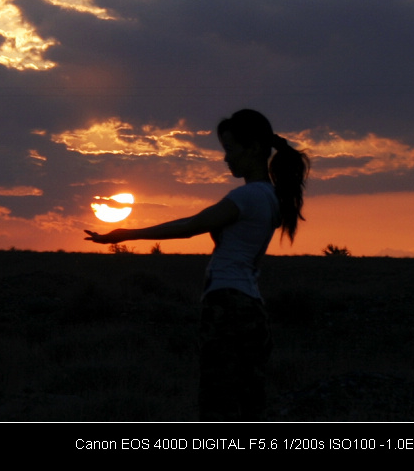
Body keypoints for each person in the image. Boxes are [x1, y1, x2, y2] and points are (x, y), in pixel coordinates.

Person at [84, 109, 309, 421]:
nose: (226, 159)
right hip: (248, 305)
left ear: (255, 148)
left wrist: (125, 234)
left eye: (231, 149)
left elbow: (192, 225)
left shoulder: (250, 196)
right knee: (247, 403)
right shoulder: (269, 197)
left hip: (229, 304)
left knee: (218, 404)